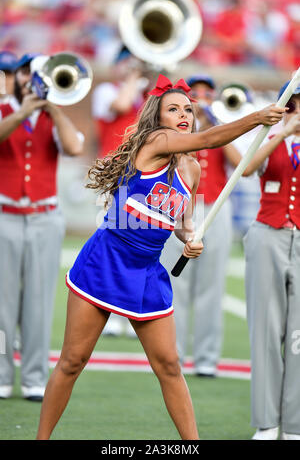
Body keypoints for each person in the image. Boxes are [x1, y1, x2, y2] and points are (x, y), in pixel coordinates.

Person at [35, 73, 284, 440]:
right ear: (158, 117)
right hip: (106, 260)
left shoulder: (193, 169)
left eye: (187, 108)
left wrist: (189, 238)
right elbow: (209, 138)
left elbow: (182, 219)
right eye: (173, 109)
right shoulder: (156, 141)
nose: (183, 114)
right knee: (72, 362)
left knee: (169, 365)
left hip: (147, 271)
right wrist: (255, 118)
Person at [0, 53, 84, 402]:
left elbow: (75, 146)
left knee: (39, 300)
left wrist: (53, 108)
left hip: (45, 217)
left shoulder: (54, 115)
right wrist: (23, 111)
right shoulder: (6, 109)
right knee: (2, 303)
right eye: (25, 73)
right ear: (19, 77)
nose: (29, 79)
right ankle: (2, 374)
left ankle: (34, 376)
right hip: (5, 214)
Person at [160, 74, 241, 377]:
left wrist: (214, 121)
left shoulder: (222, 128)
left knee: (211, 285)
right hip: (179, 206)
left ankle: (207, 358)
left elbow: (241, 164)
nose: (202, 98)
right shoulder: (174, 132)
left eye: (208, 93)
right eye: (196, 95)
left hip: (216, 207)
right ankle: (174, 355)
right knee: (175, 283)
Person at [242, 83, 300, 440]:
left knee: (298, 337)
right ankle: (267, 422)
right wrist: (282, 132)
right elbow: (246, 168)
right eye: (292, 103)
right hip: (268, 232)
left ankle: (294, 424)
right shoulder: (270, 134)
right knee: (265, 331)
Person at [92, 44, 152, 337]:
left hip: (141, 179)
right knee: (112, 247)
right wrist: (133, 76)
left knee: (136, 249)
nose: (130, 66)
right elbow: (119, 106)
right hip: (113, 177)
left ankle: (129, 311)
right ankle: (109, 312)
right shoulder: (106, 91)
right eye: (125, 61)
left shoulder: (147, 97)